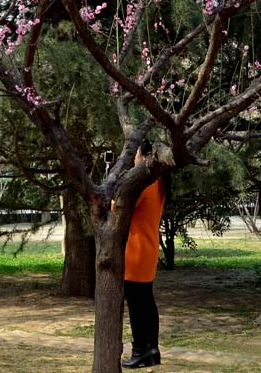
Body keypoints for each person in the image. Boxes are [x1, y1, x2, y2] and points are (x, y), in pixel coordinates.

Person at [120, 140, 167, 369]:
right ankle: (152, 349)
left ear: (145, 156)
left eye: (137, 154)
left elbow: (118, 206)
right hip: (148, 248)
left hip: (135, 249)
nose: (134, 159)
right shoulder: (159, 183)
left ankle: (140, 350)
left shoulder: (144, 185)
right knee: (147, 301)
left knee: (137, 304)